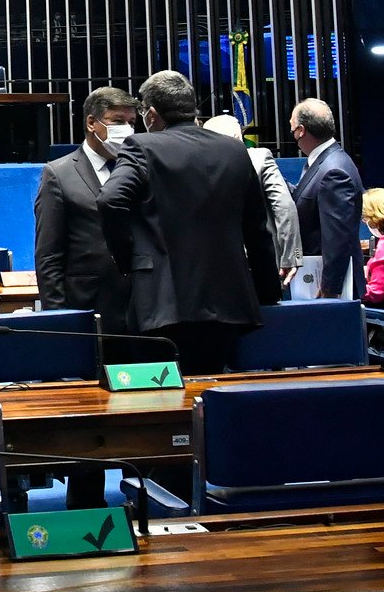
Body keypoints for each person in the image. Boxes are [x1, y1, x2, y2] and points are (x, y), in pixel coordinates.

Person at [98, 70, 280, 374]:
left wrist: (130, 259)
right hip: (228, 301)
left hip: (163, 303)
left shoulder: (142, 147)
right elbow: (257, 228)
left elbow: (110, 200)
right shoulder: (234, 149)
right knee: (212, 390)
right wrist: (268, 292)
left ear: (152, 114)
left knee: (160, 394)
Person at [35, 87, 138, 327]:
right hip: (88, 305)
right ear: (92, 122)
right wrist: (58, 318)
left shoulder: (140, 168)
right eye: (118, 121)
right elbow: (49, 255)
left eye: (132, 123)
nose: (128, 131)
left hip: (140, 308)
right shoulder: (59, 174)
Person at [203, 114, 302, 290]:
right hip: (261, 261)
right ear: (238, 137)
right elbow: (284, 206)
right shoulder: (259, 158)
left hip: (214, 267)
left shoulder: (197, 167)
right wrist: (291, 257)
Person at [288, 97, 363, 300]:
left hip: (328, 285)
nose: (292, 133)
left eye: (292, 128)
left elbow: (336, 237)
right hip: (321, 278)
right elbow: (307, 196)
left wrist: (330, 288)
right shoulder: (326, 161)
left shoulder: (334, 171)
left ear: (301, 131)